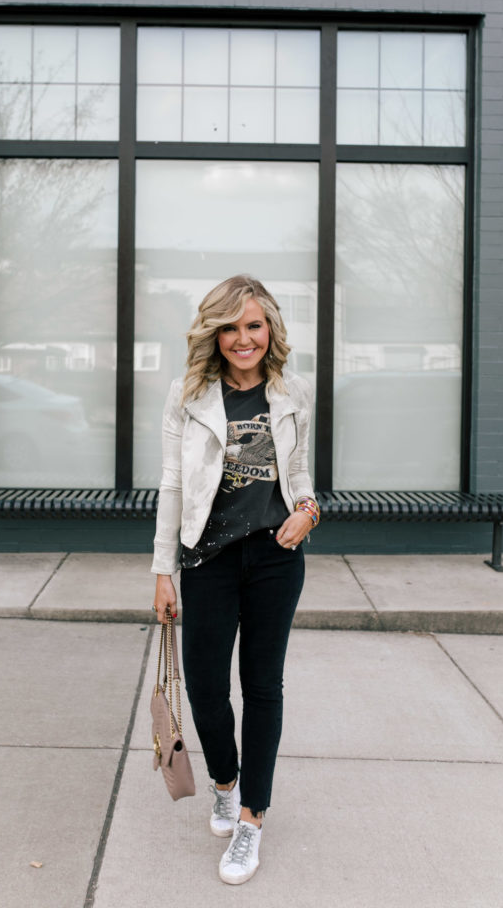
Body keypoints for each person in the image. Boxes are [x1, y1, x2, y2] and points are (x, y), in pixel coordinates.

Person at [151, 274, 320, 886]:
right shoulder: (189, 393)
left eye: (253, 325)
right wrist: (163, 569)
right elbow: (172, 484)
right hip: (207, 560)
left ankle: (252, 817)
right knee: (205, 688)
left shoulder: (292, 390)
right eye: (230, 327)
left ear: (269, 328)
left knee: (263, 687)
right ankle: (225, 782)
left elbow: (299, 474)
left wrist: (307, 511)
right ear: (213, 333)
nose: (242, 338)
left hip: (275, 558)